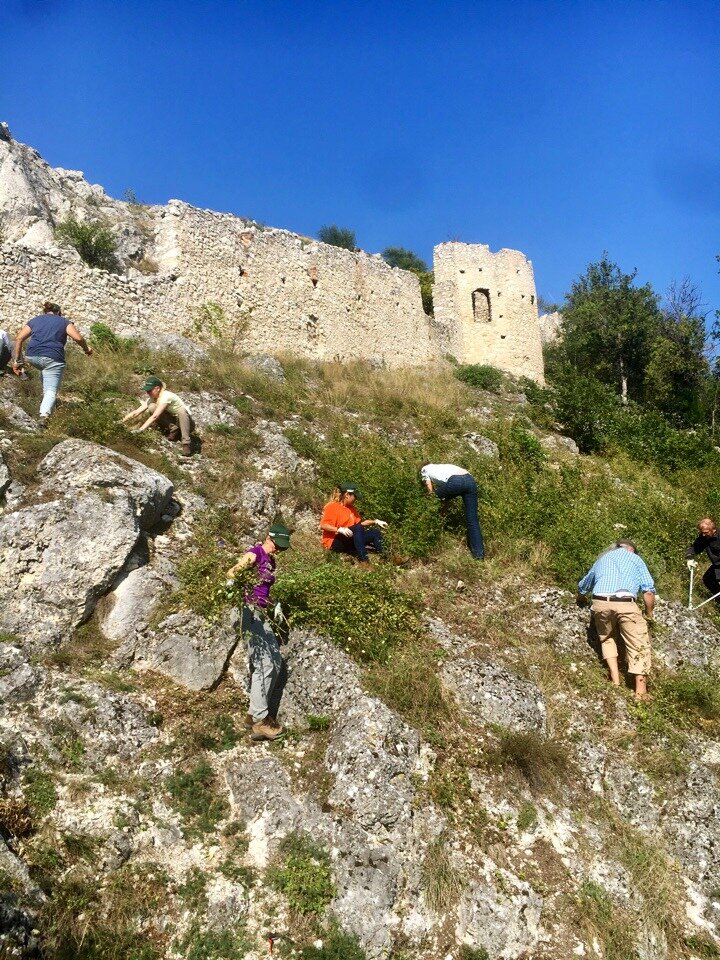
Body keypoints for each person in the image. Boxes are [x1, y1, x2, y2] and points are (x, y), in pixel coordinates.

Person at [226, 524, 292, 742]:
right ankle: (260, 720)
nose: (278, 550)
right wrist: (232, 585)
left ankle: (254, 713)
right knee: (264, 663)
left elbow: (262, 588)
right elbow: (233, 572)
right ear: (268, 538)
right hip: (247, 610)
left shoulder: (271, 562)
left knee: (275, 661)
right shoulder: (255, 554)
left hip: (260, 612)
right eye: (277, 546)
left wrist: (274, 605)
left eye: (282, 548)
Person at [577, 540, 655, 700]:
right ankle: (641, 692)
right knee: (638, 644)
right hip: (626, 602)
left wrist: (581, 597)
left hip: (600, 602)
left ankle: (615, 680)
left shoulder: (602, 559)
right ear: (632, 550)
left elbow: (585, 584)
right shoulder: (636, 559)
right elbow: (648, 592)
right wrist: (649, 613)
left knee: (606, 638)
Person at [12, 302, 92, 423]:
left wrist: (17, 361)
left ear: (45, 312)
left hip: (32, 356)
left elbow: (18, 338)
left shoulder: (34, 320)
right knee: (51, 389)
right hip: (53, 358)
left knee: (45, 371)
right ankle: (44, 416)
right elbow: (78, 338)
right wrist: (87, 349)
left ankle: (47, 402)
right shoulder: (64, 322)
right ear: (59, 312)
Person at [420, 463, 485, 560]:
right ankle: (479, 556)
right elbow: (446, 497)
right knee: (473, 520)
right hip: (470, 480)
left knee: (431, 499)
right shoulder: (441, 467)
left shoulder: (424, 469)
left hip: (456, 481)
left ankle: (424, 529)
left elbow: (430, 493)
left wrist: (430, 502)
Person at [122, 376, 195, 456]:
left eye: (150, 391)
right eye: (147, 391)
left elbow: (155, 416)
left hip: (187, 424)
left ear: (157, 388)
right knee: (152, 406)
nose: (148, 393)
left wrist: (140, 430)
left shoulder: (166, 396)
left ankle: (186, 444)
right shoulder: (152, 399)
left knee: (182, 411)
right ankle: (174, 429)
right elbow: (136, 412)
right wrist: (121, 421)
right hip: (174, 422)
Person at [319, 484, 387, 569]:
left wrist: (376, 521)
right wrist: (339, 529)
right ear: (347, 495)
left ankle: (387, 556)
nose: (356, 499)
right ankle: (364, 561)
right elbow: (323, 525)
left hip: (349, 539)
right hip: (334, 542)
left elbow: (360, 524)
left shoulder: (352, 509)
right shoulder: (332, 506)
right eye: (355, 496)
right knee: (358, 528)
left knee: (375, 532)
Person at [685, 518, 720, 605]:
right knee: (708, 579)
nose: (703, 535)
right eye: (702, 532)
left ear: (714, 530)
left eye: (706, 532)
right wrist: (690, 557)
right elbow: (696, 547)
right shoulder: (704, 537)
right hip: (716, 565)